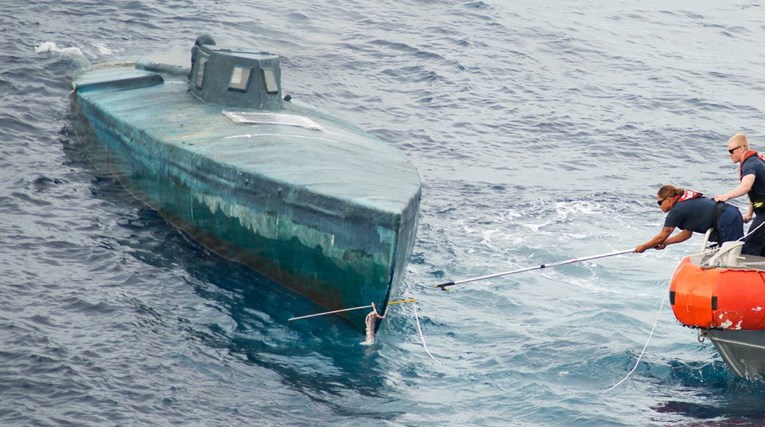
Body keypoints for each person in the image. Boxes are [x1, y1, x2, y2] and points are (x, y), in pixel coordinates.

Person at [635, 185, 743, 253]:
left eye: (659, 202)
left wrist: (644, 246)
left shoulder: (676, 210)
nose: (659, 206)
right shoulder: (683, 203)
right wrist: (666, 243)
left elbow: (663, 234)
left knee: (732, 251)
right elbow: (687, 234)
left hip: (726, 218)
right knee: (735, 249)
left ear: (668, 199)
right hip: (730, 213)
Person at [714, 133, 765, 256]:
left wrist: (725, 196)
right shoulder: (756, 161)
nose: (729, 155)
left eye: (731, 151)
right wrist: (749, 213)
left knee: (751, 246)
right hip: (761, 212)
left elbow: (746, 186)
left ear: (741, 149)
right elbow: (755, 191)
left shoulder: (750, 165)